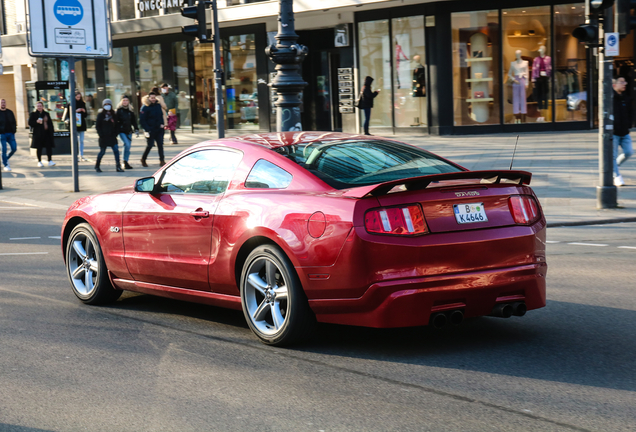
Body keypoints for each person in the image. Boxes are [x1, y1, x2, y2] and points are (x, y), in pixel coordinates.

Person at [613, 76, 633, 187]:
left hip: (625, 132)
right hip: (614, 133)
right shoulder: (611, 98)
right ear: (614, 85)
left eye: (625, 81)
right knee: (612, 156)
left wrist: (629, 124)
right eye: (621, 82)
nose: (624, 83)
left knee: (629, 152)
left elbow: (631, 112)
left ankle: (615, 165)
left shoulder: (626, 98)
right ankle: (617, 176)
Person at [95, 99, 124, 173]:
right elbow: (98, 126)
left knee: (116, 151)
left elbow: (117, 125)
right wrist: (100, 134)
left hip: (112, 136)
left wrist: (115, 133)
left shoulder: (114, 114)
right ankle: (97, 166)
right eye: (105, 104)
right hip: (103, 137)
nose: (107, 106)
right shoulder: (101, 115)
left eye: (108, 104)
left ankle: (118, 166)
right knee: (102, 152)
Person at [139, 91, 166, 167]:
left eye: (154, 97)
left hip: (159, 129)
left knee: (160, 145)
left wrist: (162, 124)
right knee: (150, 145)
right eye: (152, 98)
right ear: (149, 98)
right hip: (150, 129)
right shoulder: (145, 107)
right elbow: (142, 120)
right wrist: (147, 129)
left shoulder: (158, 105)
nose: (153, 99)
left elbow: (160, 115)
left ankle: (162, 160)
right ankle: (143, 159)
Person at [28, 101, 56, 168]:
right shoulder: (33, 114)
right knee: (39, 148)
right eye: (38, 106)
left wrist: (51, 131)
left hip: (46, 133)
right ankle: (39, 161)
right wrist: (36, 122)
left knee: (48, 147)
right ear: (36, 107)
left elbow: (50, 123)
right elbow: (30, 123)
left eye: (40, 106)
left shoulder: (46, 114)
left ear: (43, 107)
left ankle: (50, 160)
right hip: (38, 134)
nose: (39, 107)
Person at [116, 95, 139, 170]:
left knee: (128, 147)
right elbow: (115, 122)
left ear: (128, 102)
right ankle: (124, 161)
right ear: (121, 101)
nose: (125, 102)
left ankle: (125, 161)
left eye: (126, 100)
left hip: (128, 131)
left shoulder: (130, 111)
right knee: (126, 144)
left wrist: (136, 129)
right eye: (124, 100)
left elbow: (134, 121)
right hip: (121, 131)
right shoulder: (118, 111)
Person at [64, 92, 89, 161]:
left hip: (81, 124)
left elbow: (85, 115)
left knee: (81, 140)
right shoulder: (71, 104)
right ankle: (76, 155)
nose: (78, 99)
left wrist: (83, 111)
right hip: (74, 124)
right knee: (75, 140)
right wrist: (75, 111)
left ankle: (81, 155)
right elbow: (69, 115)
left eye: (79, 97)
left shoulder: (82, 103)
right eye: (77, 97)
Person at [0, 98, 18, 172]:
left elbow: (14, 121)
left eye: (4, 102)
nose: (3, 104)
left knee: (14, 148)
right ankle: (6, 165)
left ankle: (6, 159)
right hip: (2, 134)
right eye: (1, 103)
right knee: (4, 150)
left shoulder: (10, 112)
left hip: (11, 134)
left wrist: (14, 130)